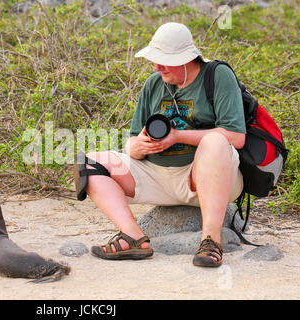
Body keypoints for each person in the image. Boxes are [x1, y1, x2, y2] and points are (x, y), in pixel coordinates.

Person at [74, 22, 246, 267]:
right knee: (89, 163)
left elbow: (236, 136)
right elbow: (133, 140)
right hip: (156, 177)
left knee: (216, 141)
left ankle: (211, 241)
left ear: (185, 58)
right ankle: (133, 237)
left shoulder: (217, 75)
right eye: (156, 60)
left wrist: (177, 136)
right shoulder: (154, 84)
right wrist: (138, 147)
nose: (157, 67)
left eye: (164, 61)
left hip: (203, 178)